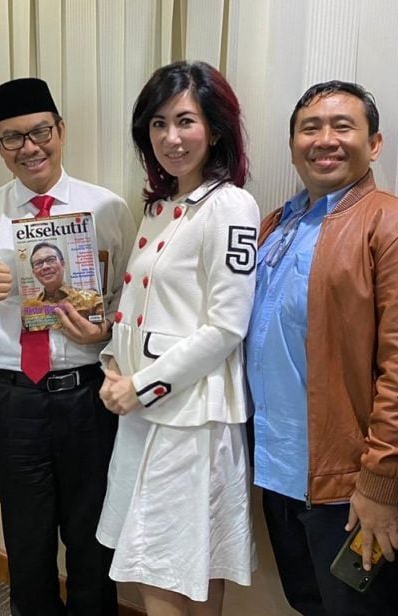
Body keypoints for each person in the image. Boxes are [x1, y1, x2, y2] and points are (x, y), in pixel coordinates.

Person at [0, 77, 135, 616]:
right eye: (12, 137)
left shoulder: (108, 208)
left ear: (61, 131)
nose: (29, 147)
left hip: (89, 395)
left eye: (40, 132)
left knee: (93, 538)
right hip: (13, 397)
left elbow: (131, 303)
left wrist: (106, 332)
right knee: (25, 540)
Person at [247, 81, 398, 615]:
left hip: (350, 483)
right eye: (310, 128)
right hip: (279, 468)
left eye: (342, 126)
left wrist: (381, 482)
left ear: (374, 144)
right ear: (292, 146)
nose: (325, 139)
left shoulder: (395, 225)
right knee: (307, 601)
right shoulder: (276, 224)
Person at [97, 60, 259, 616]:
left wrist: (140, 386)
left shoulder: (230, 206)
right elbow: (141, 310)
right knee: (170, 562)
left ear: (215, 128)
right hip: (143, 411)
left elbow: (227, 326)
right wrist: (112, 366)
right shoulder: (160, 208)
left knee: (167, 566)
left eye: (185, 121)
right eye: (158, 123)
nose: (171, 137)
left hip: (190, 418)